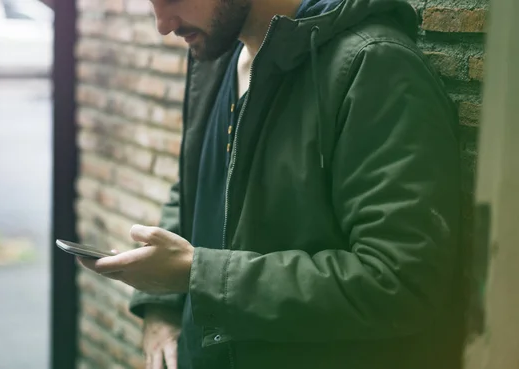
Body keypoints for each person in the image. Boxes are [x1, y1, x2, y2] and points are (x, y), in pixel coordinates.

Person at [79, 0, 463, 368]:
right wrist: (160, 305)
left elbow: (401, 281)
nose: (163, 24)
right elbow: (198, 184)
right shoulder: (220, 54)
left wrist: (197, 274)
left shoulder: (374, 66)